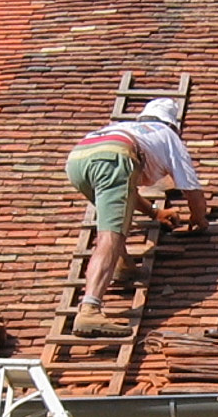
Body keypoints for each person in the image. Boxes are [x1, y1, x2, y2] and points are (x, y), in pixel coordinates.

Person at [63, 97, 210, 336]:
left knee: (113, 215)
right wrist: (199, 219)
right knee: (111, 236)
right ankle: (89, 309)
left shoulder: (126, 127)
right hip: (113, 158)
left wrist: (155, 213)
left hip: (78, 160)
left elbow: (126, 193)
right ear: (172, 124)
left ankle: (122, 265)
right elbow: (192, 190)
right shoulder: (168, 136)